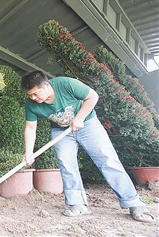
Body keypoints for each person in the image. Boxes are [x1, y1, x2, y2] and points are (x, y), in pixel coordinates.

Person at [20, 70, 155, 223]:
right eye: (30, 95)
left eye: (36, 94)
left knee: (108, 160)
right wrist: (29, 152)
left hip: (88, 123)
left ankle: (134, 203)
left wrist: (79, 118)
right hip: (60, 130)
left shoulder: (66, 84)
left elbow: (92, 96)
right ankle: (77, 204)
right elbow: (30, 128)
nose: (33, 98)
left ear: (46, 85)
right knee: (66, 165)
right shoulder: (31, 104)